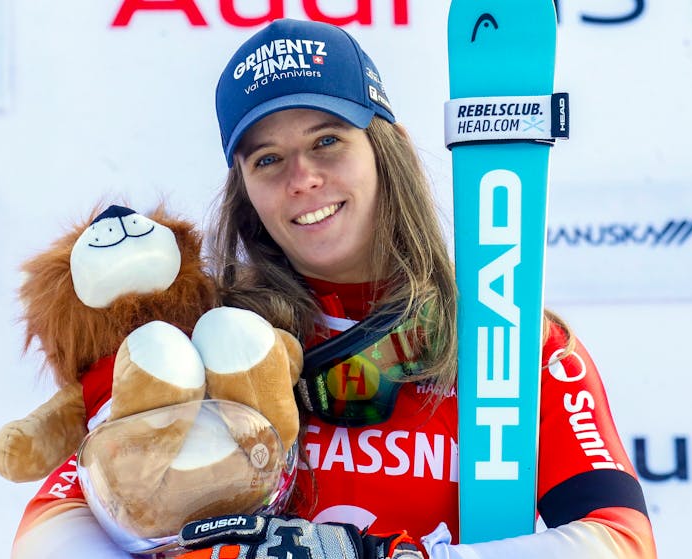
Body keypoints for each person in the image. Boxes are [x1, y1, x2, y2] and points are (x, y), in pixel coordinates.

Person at [199, 17, 657, 559]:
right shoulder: (208, 342)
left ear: (386, 151)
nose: (302, 179)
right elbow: (83, 516)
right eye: (267, 159)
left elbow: (620, 540)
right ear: (245, 190)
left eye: (327, 140)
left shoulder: (510, 337)